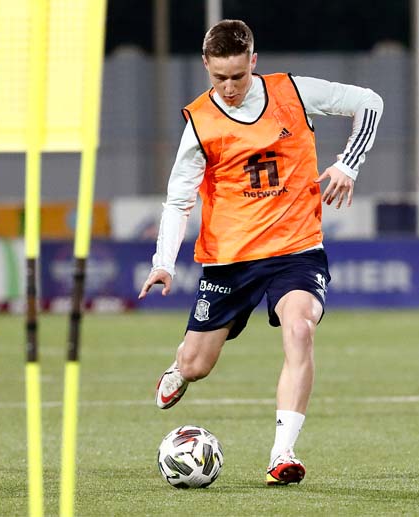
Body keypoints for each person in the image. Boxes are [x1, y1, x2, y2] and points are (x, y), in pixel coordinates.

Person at [138, 20, 383, 485]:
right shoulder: (200, 123)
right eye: (219, 78)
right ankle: (181, 368)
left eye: (238, 76)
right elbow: (178, 200)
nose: (229, 88)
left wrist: (349, 163)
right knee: (197, 364)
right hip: (230, 260)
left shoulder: (294, 92)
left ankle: (282, 453)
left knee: (300, 329)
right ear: (206, 66)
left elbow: (370, 102)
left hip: (296, 249)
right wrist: (163, 263)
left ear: (253, 62)